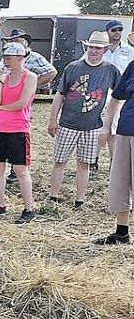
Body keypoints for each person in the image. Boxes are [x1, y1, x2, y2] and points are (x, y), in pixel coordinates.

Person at [46, 31, 121, 208]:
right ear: (86, 48)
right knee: (59, 161)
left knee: (84, 164)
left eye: (98, 48)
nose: (94, 51)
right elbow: (60, 95)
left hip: (93, 126)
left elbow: (118, 96)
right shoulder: (73, 67)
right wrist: (52, 119)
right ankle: (53, 196)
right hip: (68, 123)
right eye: (91, 47)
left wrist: (108, 124)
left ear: (105, 50)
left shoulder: (110, 70)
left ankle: (79, 200)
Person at [0, 42, 38, 224]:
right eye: (4, 58)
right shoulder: (3, 78)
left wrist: (2, 108)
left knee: (20, 169)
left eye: (9, 58)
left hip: (18, 128)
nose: (6, 62)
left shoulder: (30, 77)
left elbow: (22, 103)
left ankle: (28, 209)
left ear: (20, 58)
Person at [95, 61, 134, 244]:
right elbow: (116, 98)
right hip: (125, 130)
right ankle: (122, 232)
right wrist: (106, 126)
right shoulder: (133, 66)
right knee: (120, 182)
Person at [98, 19, 134, 167]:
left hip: (122, 96)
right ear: (108, 32)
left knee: (114, 128)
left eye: (120, 29)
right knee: (99, 128)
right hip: (100, 95)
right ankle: (93, 159)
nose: (117, 32)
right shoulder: (100, 49)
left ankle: (115, 160)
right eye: (114, 30)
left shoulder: (130, 52)